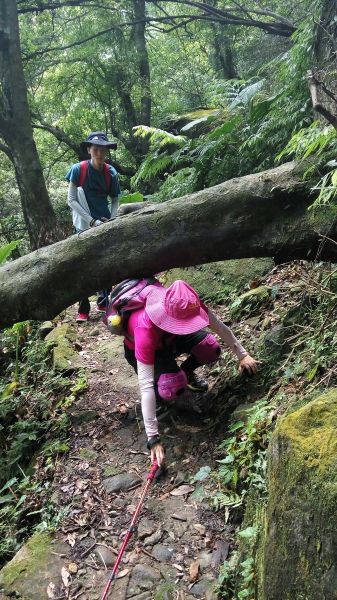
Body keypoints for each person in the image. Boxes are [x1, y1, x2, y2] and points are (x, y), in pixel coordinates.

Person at [122, 279, 259, 467]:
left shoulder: (188, 303)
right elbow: (144, 386)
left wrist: (243, 355)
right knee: (171, 385)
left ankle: (185, 375)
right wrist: (152, 438)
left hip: (172, 338)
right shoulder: (143, 327)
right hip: (150, 348)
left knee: (210, 348)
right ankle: (163, 395)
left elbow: (219, 327)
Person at [66, 132, 121, 322]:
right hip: (83, 224)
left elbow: (115, 199)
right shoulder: (78, 170)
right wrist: (91, 222)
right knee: (83, 265)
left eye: (103, 149)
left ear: (106, 151)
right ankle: (83, 308)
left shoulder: (110, 173)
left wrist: (112, 219)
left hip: (105, 222)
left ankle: (103, 301)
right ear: (89, 150)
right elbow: (72, 200)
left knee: (105, 262)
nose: (99, 152)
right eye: (95, 149)